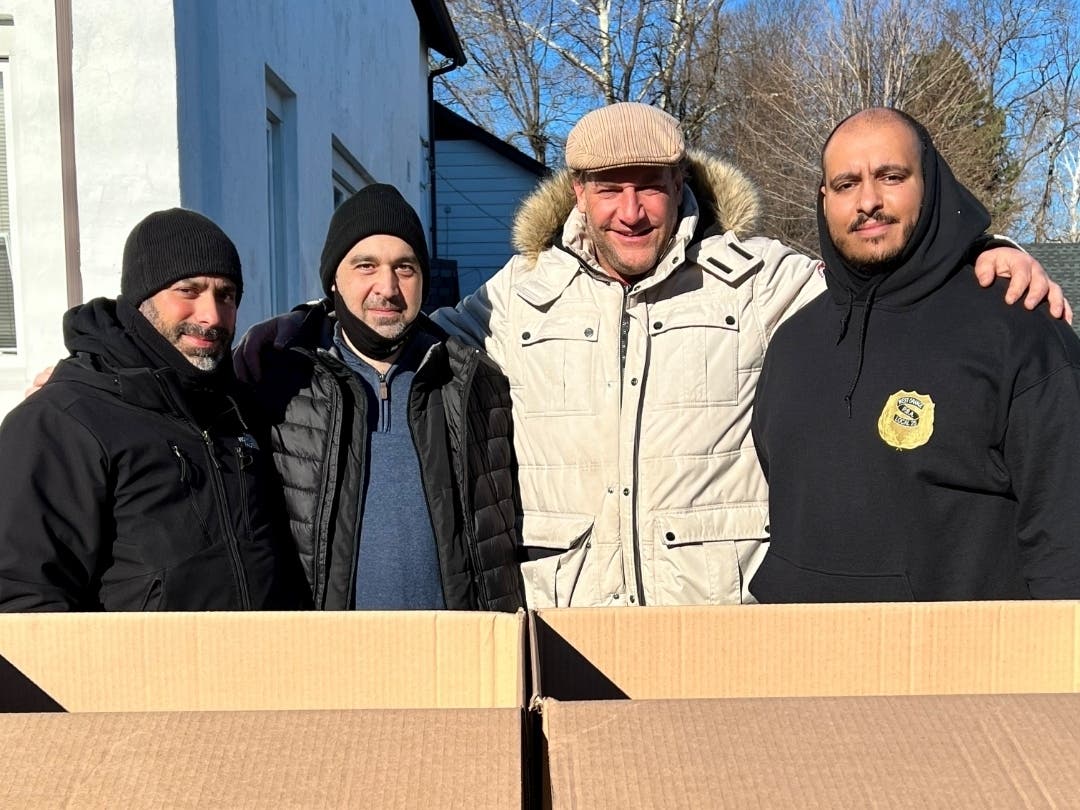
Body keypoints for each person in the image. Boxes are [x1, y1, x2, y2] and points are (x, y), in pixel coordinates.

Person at [433, 101, 1069, 608]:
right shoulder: (519, 295)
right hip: (570, 619)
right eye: (609, 189)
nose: (630, 212)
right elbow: (408, 340)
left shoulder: (758, 278)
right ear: (577, 190)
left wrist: (984, 247)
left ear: (680, 180)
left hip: (715, 621)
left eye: (650, 187)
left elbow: (883, 271)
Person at [749, 108, 1080, 601]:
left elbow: (1065, 544)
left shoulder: (1019, 326)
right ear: (824, 199)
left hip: (961, 669)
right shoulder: (793, 342)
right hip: (801, 665)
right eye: (846, 184)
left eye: (891, 176)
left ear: (930, 183)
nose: (868, 201)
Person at [234, 184, 523, 611]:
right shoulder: (280, 383)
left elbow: (498, 543)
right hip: (326, 658)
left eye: (404, 268)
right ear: (333, 278)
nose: (387, 287)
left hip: (455, 655)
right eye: (365, 266)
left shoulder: (472, 384)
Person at [0, 209, 305, 611]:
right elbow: (23, 599)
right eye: (188, 290)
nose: (211, 315)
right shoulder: (62, 421)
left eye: (226, 295)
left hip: (253, 668)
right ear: (143, 298)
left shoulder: (237, 409)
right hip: (137, 672)